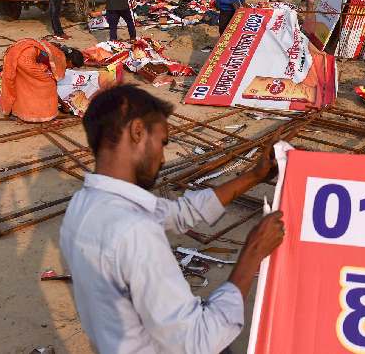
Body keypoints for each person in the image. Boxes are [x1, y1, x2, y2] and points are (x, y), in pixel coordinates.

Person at [59, 85, 285, 353]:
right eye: (163, 142)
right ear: (138, 131)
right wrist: (254, 251)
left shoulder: (84, 204)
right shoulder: (134, 231)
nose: (163, 158)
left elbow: (180, 213)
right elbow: (198, 342)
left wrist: (253, 176)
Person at [0, 38, 84, 123]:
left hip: (16, 51)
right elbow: (53, 85)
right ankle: (41, 114)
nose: (70, 68)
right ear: (70, 61)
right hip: (24, 58)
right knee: (48, 84)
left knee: (22, 82)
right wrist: (63, 105)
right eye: (72, 66)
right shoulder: (60, 58)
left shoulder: (59, 51)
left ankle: (17, 110)